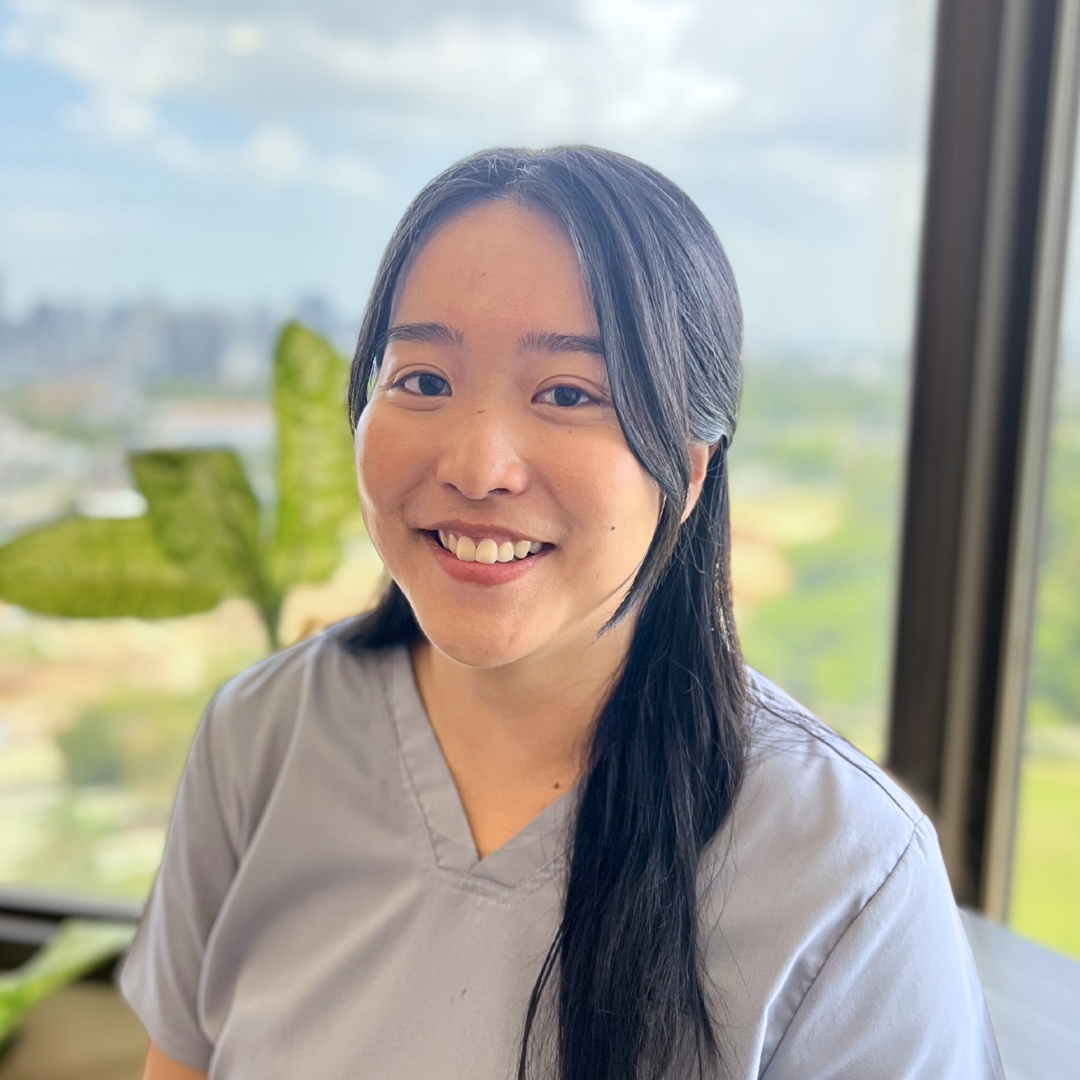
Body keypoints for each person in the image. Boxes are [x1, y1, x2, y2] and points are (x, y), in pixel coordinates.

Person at [121, 147, 1004, 1080]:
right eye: (423, 380)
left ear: (688, 469)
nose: (477, 468)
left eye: (569, 394)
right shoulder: (260, 736)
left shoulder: (844, 877)